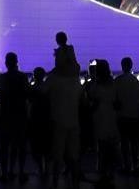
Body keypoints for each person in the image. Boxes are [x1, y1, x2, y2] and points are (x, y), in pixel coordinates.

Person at [45, 59, 83, 188]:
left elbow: (43, 90)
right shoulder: (75, 82)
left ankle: (55, 182)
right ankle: (75, 183)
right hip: (73, 121)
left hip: (58, 121)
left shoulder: (54, 80)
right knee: (73, 156)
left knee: (58, 155)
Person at [0, 52, 29, 182]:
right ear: (17, 62)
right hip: (20, 115)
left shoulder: (2, 78)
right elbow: (27, 94)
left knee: (4, 146)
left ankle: (4, 173)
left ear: (6, 63)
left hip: (6, 115)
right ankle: (19, 171)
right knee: (19, 145)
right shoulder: (22, 77)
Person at [87, 60, 119, 187]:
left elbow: (91, 99)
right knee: (111, 145)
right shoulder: (113, 82)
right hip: (111, 115)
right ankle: (111, 173)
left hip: (100, 116)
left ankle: (102, 172)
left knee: (101, 147)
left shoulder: (95, 84)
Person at [113, 57, 139, 172]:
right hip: (134, 115)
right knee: (134, 143)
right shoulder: (135, 81)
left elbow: (114, 98)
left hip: (122, 116)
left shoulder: (118, 80)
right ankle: (135, 165)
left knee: (124, 143)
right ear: (131, 66)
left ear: (122, 65)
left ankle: (126, 166)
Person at [27, 67, 51, 179]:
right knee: (46, 146)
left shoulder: (32, 88)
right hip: (46, 120)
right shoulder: (48, 88)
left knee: (36, 146)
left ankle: (41, 169)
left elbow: (29, 102)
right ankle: (46, 169)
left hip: (35, 120)